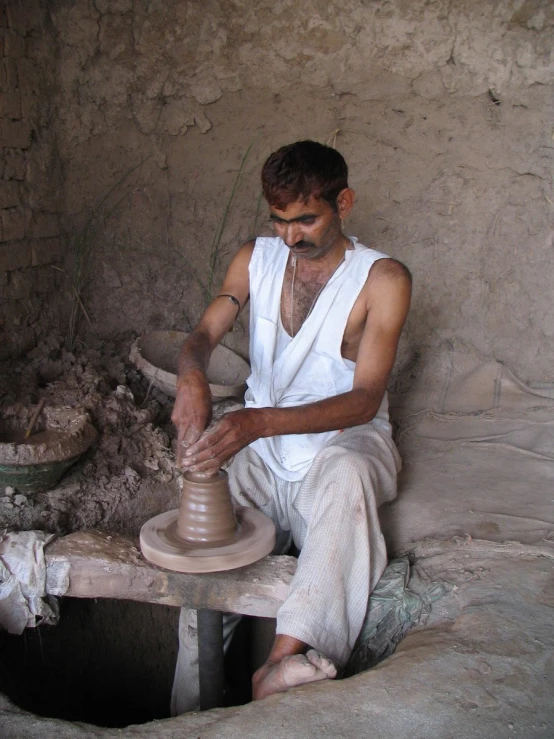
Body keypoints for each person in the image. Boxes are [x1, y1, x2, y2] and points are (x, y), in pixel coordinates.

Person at [171, 139, 411, 703]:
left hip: (344, 440)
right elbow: (205, 335)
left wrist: (256, 423)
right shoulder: (255, 259)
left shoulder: (383, 280)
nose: (291, 236)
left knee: (348, 483)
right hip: (266, 451)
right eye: (279, 221)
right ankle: (188, 710)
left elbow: (365, 399)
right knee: (201, 527)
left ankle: (281, 664)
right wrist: (191, 374)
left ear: (344, 202)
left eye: (306, 219)